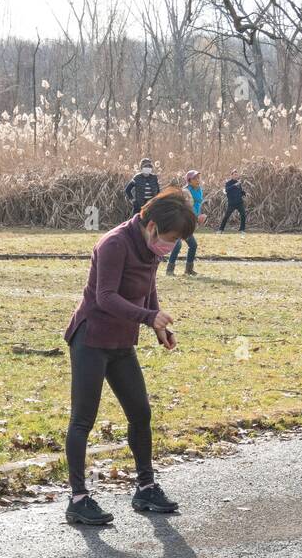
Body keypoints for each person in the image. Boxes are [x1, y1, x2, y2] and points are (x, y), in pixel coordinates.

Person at [62, 186, 193, 526]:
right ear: (151, 227)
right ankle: (78, 499)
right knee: (83, 419)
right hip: (91, 339)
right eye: (170, 238)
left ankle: (145, 488)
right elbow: (105, 297)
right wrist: (148, 317)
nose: (170, 245)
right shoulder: (114, 243)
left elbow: (148, 288)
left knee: (140, 412)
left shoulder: (150, 248)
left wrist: (158, 323)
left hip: (121, 343)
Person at [167, 169, 205, 276]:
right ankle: (169, 270)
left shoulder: (199, 190)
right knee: (177, 245)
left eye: (198, 178)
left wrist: (199, 217)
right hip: (180, 222)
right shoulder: (185, 192)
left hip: (189, 222)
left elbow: (197, 205)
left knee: (193, 245)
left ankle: (188, 270)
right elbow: (184, 208)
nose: (198, 180)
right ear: (189, 180)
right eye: (195, 178)